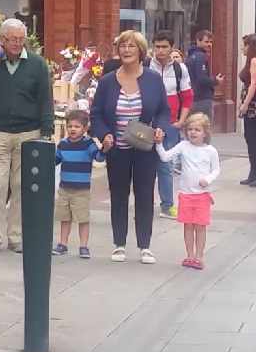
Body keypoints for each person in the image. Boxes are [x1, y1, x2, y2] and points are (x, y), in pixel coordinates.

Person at [0, 18, 53, 254]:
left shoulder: (37, 64)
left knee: (20, 186)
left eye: (20, 39)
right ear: (2, 40)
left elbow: (45, 99)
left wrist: (46, 131)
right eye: (11, 39)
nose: (17, 44)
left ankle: (16, 236)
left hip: (28, 132)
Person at [91, 30, 170, 265]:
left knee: (145, 195)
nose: (126, 50)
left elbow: (163, 111)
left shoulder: (153, 79)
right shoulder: (107, 81)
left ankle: (145, 245)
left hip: (145, 148)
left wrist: (160, 128)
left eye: (131, 46)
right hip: (117, 149)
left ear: (141, 51)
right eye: (122, 46)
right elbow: (95, 115)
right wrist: (104, 134)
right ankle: (119, 244)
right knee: (119, 195)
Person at [155, 112, 220, 270]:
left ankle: (199, 256)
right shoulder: (183, 146)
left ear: (205, 133)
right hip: (186, 194)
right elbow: (165, 157)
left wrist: (208, 180)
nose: (193, 132)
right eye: (190, 129)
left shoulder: (210, 151)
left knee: (200, 226)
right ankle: (189, 255)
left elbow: (216, 169)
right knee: (188, 226)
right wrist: (159, 144)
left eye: (197, 130)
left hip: (202, 195)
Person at [52, 109, 107, 259]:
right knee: (65, 218)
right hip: (64, 189)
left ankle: (83, 246)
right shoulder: (63, 144)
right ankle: (62, 244)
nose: (72, 129)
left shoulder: (88, 144)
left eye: (76, 127)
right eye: (70, 126)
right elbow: (55, 161)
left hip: (81, 190)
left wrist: (105, 148)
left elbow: (99, 158)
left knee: (83, 219)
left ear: (84, 128)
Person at [150, 31, 194, 219]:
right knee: (144, 167)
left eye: (164, 47)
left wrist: (181, 121)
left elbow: (187, 96)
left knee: (165, 165)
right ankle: (144, 205)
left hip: (169, 124)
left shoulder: (179, 69)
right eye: (157, 46)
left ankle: (167, 205)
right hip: (146, 123)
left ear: (172, 48)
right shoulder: (144, 65)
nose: (160, 50)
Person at [238, 34, 256, 187]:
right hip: (253, 105)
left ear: (250, 46)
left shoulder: (255, 61)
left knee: (254, 138)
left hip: (255, 106)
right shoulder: (255, 60)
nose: (243, 48)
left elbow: (254, 85)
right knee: (251, 138)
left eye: (244, 45)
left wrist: (245, 104)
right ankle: (254, 172)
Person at [186, 30, 224, 120]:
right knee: (204, 128)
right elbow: (201, 79)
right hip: (202, 98)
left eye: (211, 42)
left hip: (193, 98)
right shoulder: (201, 56)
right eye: (206, 42)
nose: (209, 44)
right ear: (198, 41)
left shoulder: (191, 56)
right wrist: (216, 81)